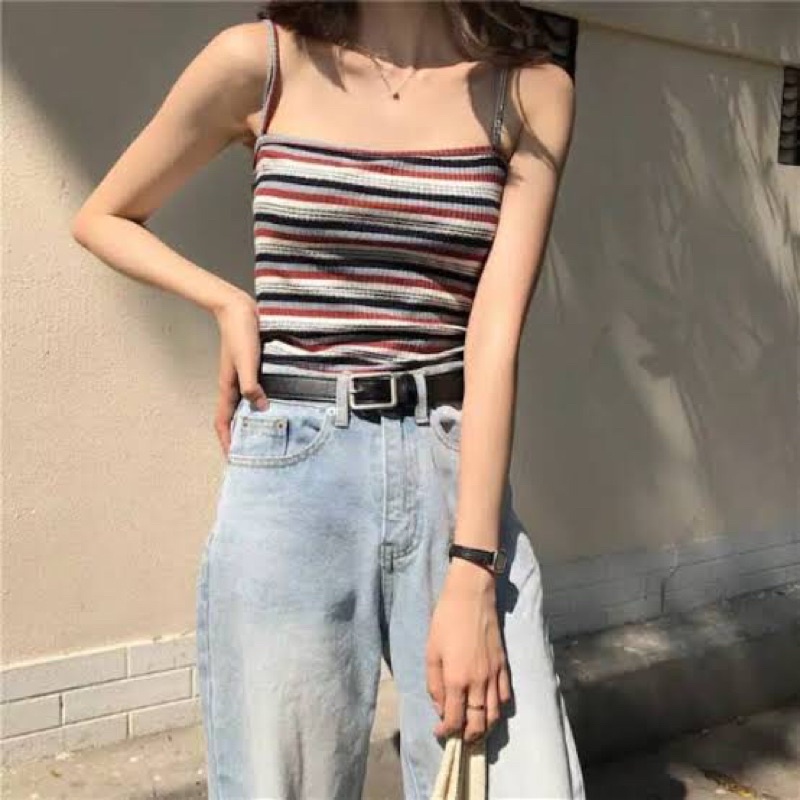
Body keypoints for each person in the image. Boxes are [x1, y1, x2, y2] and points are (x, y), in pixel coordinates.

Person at [71, 2, 583, 797]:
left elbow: (494, 339)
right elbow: (104, 216)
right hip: (294, 475)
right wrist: (228, 303)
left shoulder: (530, 90)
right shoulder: (259, 63)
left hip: (451, 469)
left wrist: (474, 572)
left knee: (512, 783)